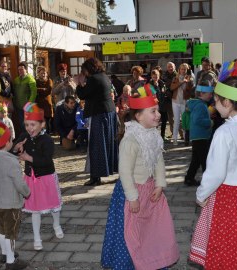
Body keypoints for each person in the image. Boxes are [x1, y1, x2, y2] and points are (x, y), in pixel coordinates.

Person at [101, 92, 179, 270]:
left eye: (157, 110)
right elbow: (125, 172)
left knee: (152, 229)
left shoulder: (153, 135)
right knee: (130, 230)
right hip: (132, 193)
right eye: (153, 111)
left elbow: (158, 160)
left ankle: (152, 259)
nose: (158, 115)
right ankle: (128, 263)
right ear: (138, 116)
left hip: (150, 190)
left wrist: (160, 183)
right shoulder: (130, 140)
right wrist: (132, 197)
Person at [189, 75, 237, 269]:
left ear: (226, 102)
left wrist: (201, 194)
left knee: (225, 246)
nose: (214, 103)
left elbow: (216, 173)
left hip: (228, 199)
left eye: (216, 100)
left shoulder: (223, 133)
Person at [15, 102, 64, 251]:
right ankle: (37, 237)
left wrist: (28, 158)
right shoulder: (24, 136)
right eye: (27, 125)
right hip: (31, 178)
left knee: (54, 206)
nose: (29, 128)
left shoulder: (48, 140)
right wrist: (17, 148)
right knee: (35, 209)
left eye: (33, 125)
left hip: (47, 177)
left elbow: (46, 160)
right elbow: (14, 149)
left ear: (42, 124)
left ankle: (56, 224)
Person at [0, 120, 30, 270]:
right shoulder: (12, 162)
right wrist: (27, 192)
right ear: (7, 142)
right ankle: (11, 262)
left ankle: (5, 253)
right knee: (11, 233)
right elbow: (19, 183)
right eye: (11, 138)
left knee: (2, 230)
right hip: (11, 204)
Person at [76, 58, 118, 186]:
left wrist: (78, 83)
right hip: (108, 113)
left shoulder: (94, 79)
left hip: (99, 115)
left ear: (89, 69)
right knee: (108, 144)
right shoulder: (104, 76)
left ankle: (96, 177)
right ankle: (109, 170)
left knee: (97, 146)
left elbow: (82, 95)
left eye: (84, 71)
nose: (84, 74)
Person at [184, 84, 213, 186]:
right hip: (201, 136)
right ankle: (209, 181)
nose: (211, 95)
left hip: (197, 136)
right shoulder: (201, 105)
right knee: (205, 160)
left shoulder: (197, 104)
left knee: (196, 160)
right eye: (209, 93)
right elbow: (198, 120)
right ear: (201, 94)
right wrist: (210, 122)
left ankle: (189, 178)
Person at [170, 63, 194, 145]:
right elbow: (172, 88)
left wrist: (189, 82)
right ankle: (175, 139)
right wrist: (181, 82)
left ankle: (186, 139)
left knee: (185, 121)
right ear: (179, 69)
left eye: (185, 69)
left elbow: (190, 90)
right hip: (175, 101)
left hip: (184, 102)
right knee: (176, 120)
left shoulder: (189, 78)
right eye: (182, 69)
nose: (183, 70)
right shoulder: (175, 78)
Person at [12, 61, 37, 135]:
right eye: (19, 69)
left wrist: (29, 104)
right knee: (21, 124)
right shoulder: (16, 80)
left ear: (26, 69)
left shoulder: (30, 79)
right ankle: (25, 140)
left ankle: (31, 139)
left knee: (28, 124)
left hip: (27, 107)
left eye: (22, 69)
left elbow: (34, 93)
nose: (20, 71)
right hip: (18, 106)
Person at [149, 69, 168, 140]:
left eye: (156, 77)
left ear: (159, 76)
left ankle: (162, 135)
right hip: (154, 106)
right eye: (154, 77)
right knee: (155, 122)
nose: (155, 78)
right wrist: (156, 87)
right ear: (151, 77)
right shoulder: (149, 84)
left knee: (164, 120)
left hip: (163, 105)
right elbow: (153, 95)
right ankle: (154, 136)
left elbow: (164, 93)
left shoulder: (162, 83)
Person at [35, 66, 54, 134]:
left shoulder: (49, 81)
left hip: (47, 104)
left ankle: (48, 137)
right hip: (39, 104)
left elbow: (48, 91)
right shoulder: (35, 81)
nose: (43, 74)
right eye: (41, 73)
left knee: (47, 122)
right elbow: (34, 90)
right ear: (38, 73)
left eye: (44, 73)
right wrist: (42, 89)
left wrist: (39, 90)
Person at [162, 62, 178, 138]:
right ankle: (173, 133)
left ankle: (181, 134)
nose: (170, 68)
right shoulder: (164, 75)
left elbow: (174, 85)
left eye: (171, 66)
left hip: (176, 98)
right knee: (170, 118)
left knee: (177, 117)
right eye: (169, 67)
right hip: (168, 99)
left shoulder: (177, 75)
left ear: (174, 67)